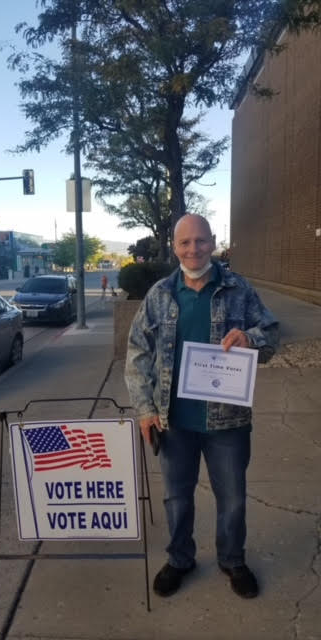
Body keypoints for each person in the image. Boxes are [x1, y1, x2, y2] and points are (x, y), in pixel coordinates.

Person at [125, 214, 279, 600]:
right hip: (173, 420)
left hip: (227, 421)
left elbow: (272, 333)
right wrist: (145, 409)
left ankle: (232, 559)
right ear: (174, 247)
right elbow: (137, 353)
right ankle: (180, 559)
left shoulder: (238, 289)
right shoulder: (160, 294)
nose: (193, 249)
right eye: (184, 243)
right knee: (176, 498)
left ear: (213, 242)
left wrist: (250, 339)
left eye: (200, 241)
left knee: (233, 498)